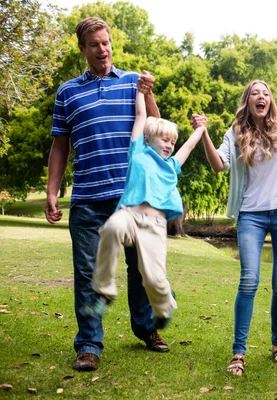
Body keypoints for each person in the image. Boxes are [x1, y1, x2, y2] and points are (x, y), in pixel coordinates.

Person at [45, 17, 168, 372]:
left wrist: (148, 93)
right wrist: (53, 191)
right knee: (88, 274)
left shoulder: (132, 83)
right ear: (82, 49)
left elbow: (155, 129)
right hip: (86, 199)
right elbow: (60, 146)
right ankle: (88, 345)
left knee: (142, 268)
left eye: (106, 42)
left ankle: (146, 329)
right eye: (95, 44)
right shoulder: (67, 92)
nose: (103, 49)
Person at [193, 79, 277, 375]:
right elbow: (218, 165)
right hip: (251, 214)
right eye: (254, 94)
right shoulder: (235, 133)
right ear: (247, 102)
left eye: (265, 93)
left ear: (271, 100)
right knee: (249, 280)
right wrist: (203, 134)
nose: (261, 97)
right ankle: (238, 351)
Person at [83, 83, 208, 329]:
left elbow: (190, 146)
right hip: (129, 214)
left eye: (172, 142)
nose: (169, 145)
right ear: (149, 139)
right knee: (111, 229)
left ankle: (164, 308)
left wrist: (201, 129)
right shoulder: (137, 151)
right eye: (165, 139)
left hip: (155, 225)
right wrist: (140, 91)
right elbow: (141, 116)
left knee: (153, 278)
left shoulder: (172, 166)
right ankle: (104, 292)